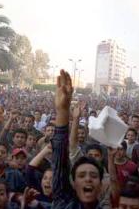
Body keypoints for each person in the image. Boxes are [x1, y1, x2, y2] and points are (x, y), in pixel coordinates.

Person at [52, 69, 103, 208]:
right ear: (73, 182)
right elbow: (59, 156)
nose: (88, 179)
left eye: (93, 176)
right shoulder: (63, 203)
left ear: (101, 184)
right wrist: (63, 111)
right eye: (81, 176)